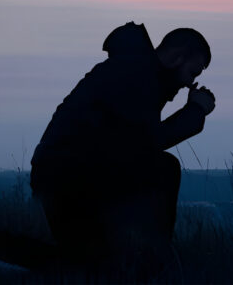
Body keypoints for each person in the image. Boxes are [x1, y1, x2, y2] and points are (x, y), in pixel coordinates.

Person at [30, 22, 215, 274]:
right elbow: (146, 143)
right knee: (164, 168)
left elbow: (132, 143)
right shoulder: (136, 76)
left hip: (66, 173)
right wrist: (195, 110)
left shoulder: (136, 72)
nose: (189, 83)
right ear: (177, 57)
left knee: (91, 264)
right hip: (69, 176)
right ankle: (157, 260)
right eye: (192, 72)